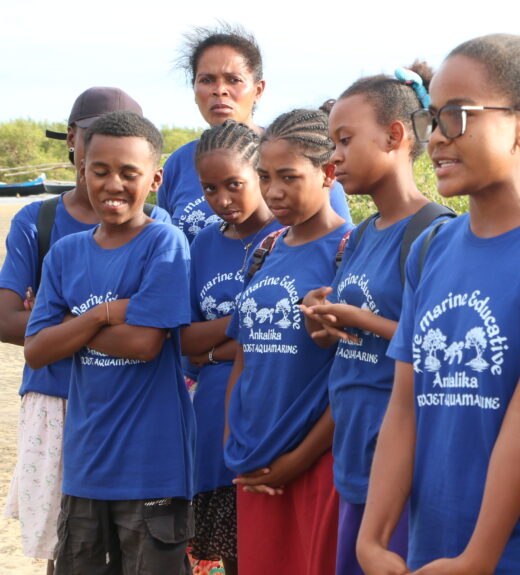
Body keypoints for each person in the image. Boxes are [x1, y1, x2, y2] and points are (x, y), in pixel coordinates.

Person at [356, 34, 520, 574]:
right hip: (439, 542)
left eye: (457, 116)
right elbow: (404, 406)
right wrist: (372, 539)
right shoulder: (431, 247)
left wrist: (478, 557)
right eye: (432, 119)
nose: (436, 139)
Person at [0, 87, 170, 567]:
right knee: (68, 543)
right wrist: (105, 313)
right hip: (52, 398)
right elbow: (9, 322)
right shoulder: (40, 221)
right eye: (95, 140)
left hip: (127, 400)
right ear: (74, 141)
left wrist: (55, 322)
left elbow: (147, 337)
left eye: (128, 166)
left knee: (132, 538)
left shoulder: (158, 228)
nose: (113, 178)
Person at [298, 62, 446, 575]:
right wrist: (321, 317)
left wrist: (359, 317)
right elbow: (337, 341)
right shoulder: (361, 235)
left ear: (396, 136)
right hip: (354, 449)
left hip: (403, 460)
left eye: (345, 140)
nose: (334, 156)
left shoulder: (435, 232)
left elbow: (437, 349)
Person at [223, 108, 354, 574]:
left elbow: (352, 376)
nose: (273, 191)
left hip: (316, 463)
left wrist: (298, 460)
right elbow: (244, 358)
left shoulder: (351, 252)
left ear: (328, 173)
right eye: (264, 176)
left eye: (289, 176)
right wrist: (234, 442)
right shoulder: (265, 250)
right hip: (254, 462)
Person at [181, 120, 281, 575]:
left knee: (272, 550)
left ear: (260, 174)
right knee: (233, 556)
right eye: (209, 188)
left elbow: (280, 338)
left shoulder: (287, 237)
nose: (221, 200)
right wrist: (246, 321)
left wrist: (217, 347)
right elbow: (185, 340)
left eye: (233, 185)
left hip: (269, 414)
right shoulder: (204, 243)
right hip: (212, 419)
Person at [163, 23, 351, 244]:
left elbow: (337, 240)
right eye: (206, 80)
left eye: (233, 79)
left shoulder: (300, 152)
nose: (219, 90)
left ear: (258, 90)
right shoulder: (178, 164)